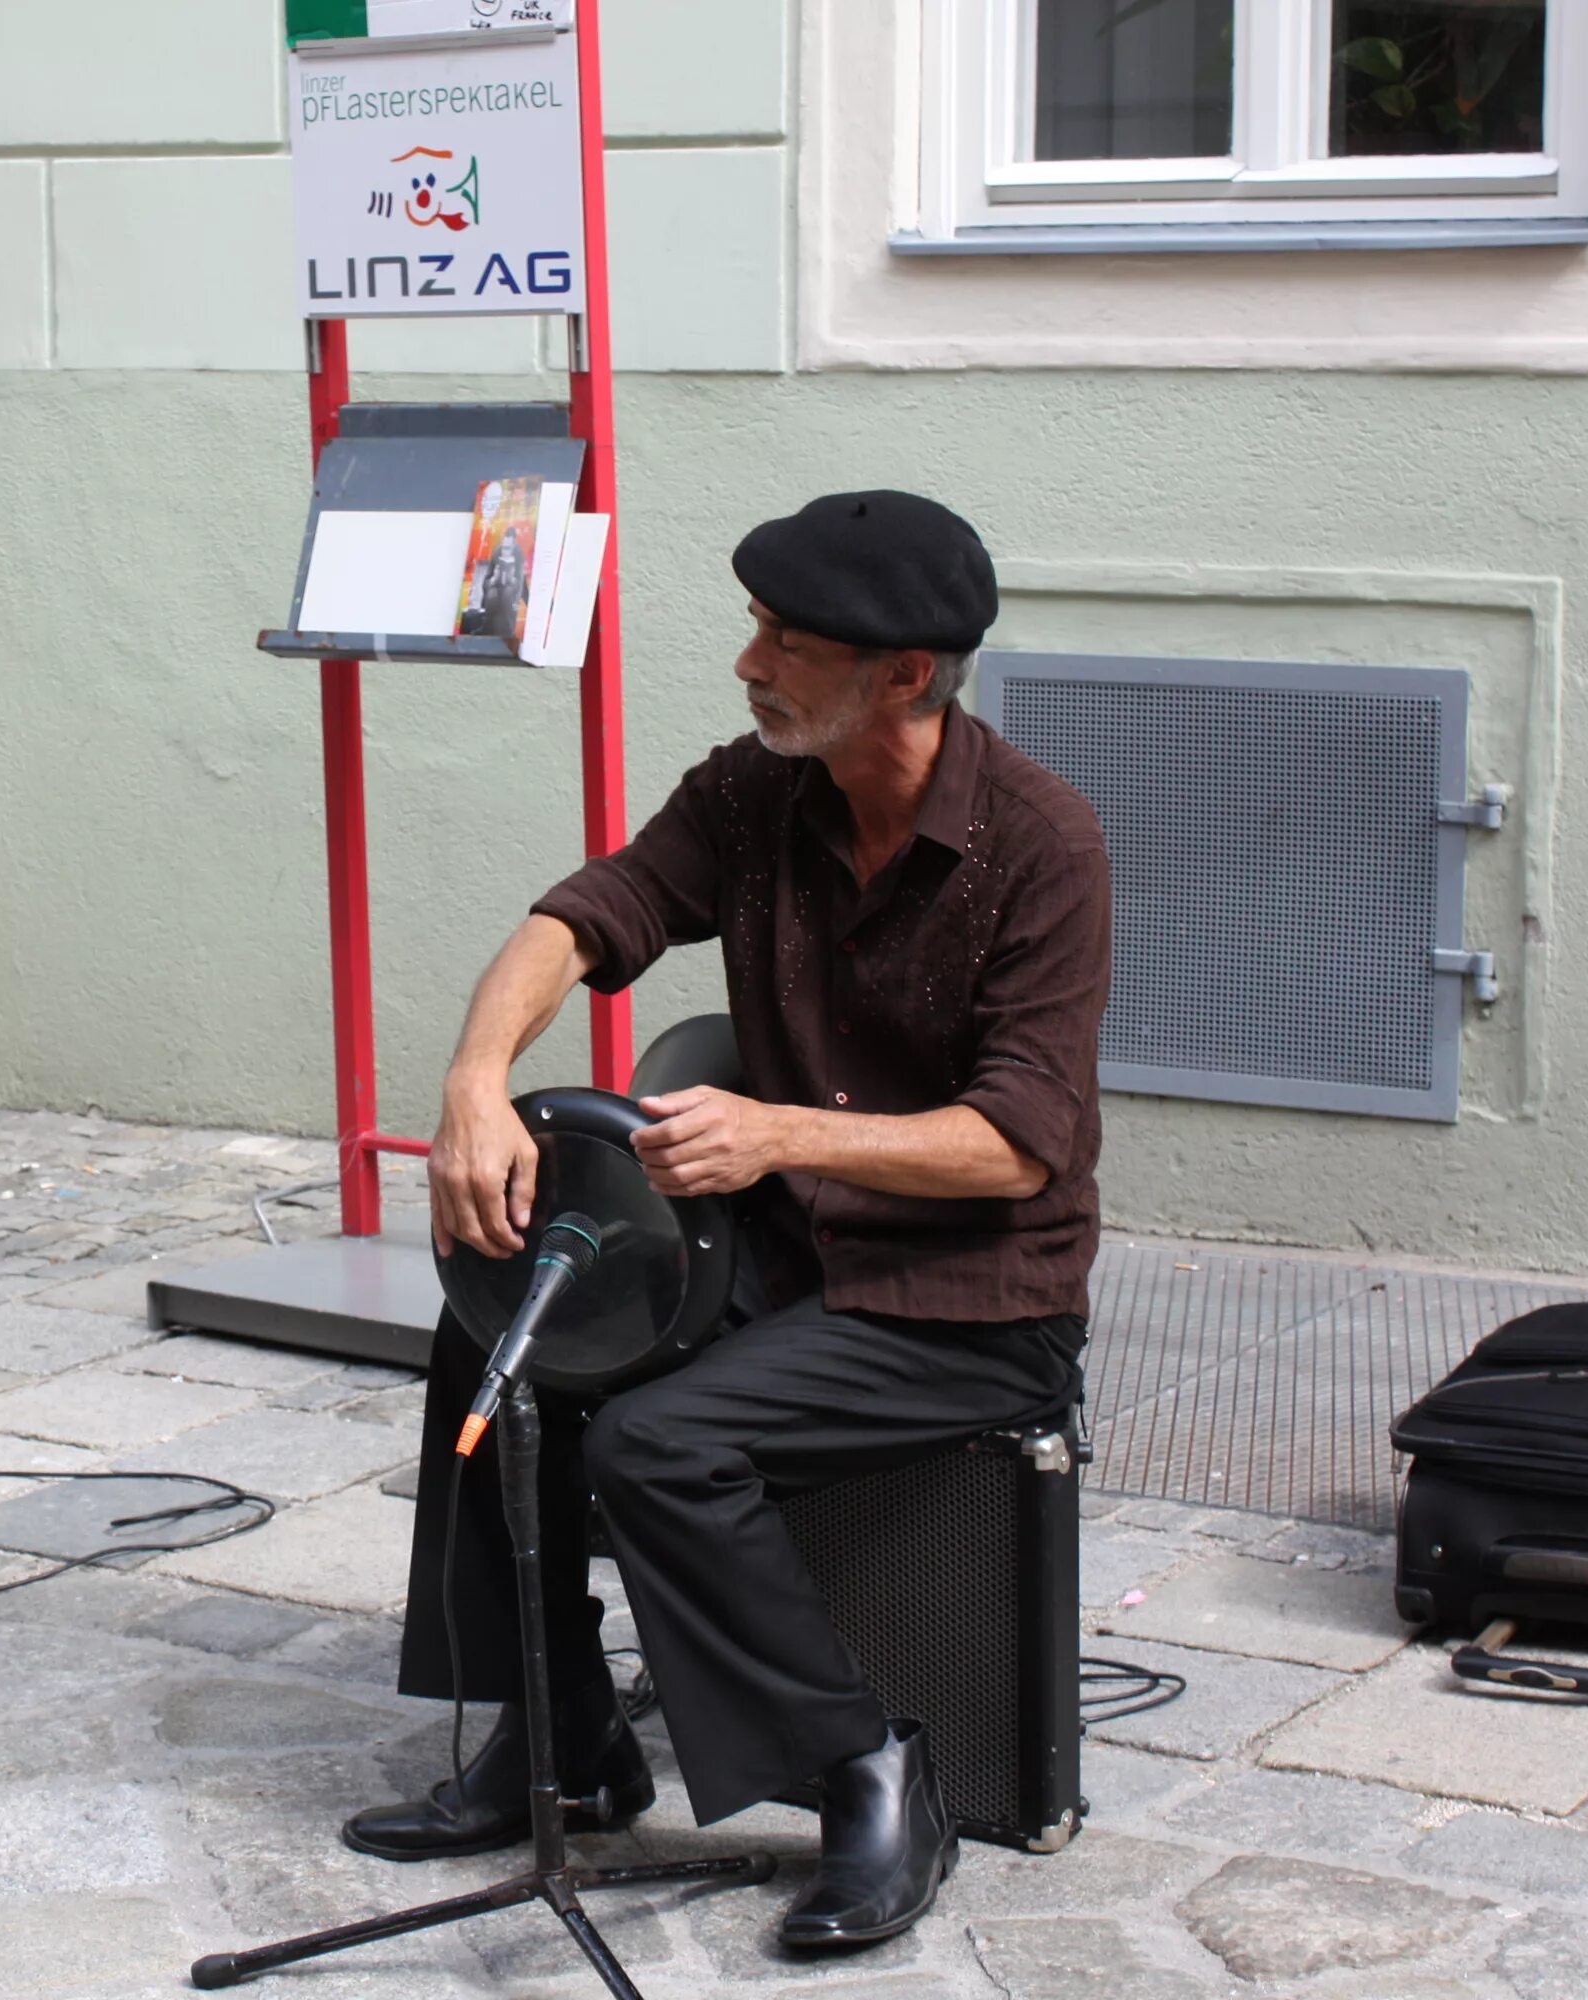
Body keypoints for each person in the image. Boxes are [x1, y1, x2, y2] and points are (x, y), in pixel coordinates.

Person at [346, 492, 1111, 1952]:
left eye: (788, 643)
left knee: (656, 1441)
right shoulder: (756, 793)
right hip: (786, 1253)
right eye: (756, 627)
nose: (750, 663)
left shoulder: (1042, 846)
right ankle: (561, 1734)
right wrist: (473, 1082)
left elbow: (1019, 1147)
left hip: (970, 1300)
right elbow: (586, 915)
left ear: (904, 674)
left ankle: (870, 1766)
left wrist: (778, 1132)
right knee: (492, 1328)